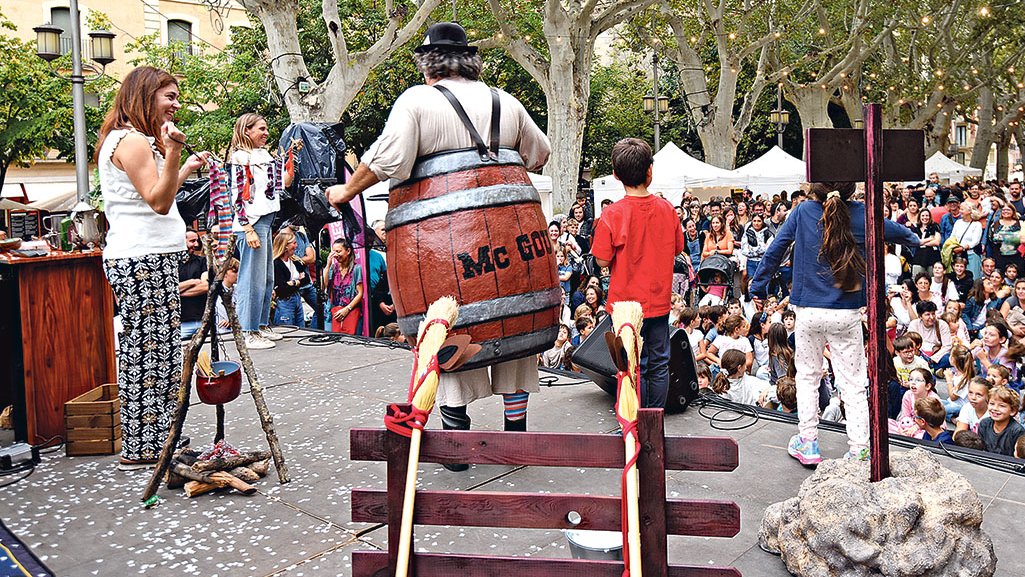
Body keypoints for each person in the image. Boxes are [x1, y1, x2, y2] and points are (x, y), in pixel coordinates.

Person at [325, 22, 552, 451]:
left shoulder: (418, 100)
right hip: (515, 235)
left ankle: (456, 445)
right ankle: (517, 439)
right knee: (517, 335)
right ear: (471, 61)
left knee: (451, 330)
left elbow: (388, 159)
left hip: (442, 241)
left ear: (428, 65)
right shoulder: (505, 100)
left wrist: (345, 190)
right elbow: (539, 155)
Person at [749, 181, 919, 464]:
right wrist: (914, 240)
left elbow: (777, 247)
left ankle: (809, 443)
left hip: (808, 311)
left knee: (807, 378)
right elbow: (902, 234)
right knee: (852, 383)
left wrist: (758, 287)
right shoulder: (861, 213)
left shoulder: (803, 212)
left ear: (815, 189)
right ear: (851, 190)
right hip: (847, 311)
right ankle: (860, 448)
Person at [96, 66, 209, 469]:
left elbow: (157, 191)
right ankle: (146, 446)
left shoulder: (132, 140)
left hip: (146, 257)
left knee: (156, 351)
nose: (176, 105)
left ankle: (158, 437)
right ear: (146, 96)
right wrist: (174, 150)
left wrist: (183, 169)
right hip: (141, 259)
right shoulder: (131, 140)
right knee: (149, 353)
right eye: (170, 97)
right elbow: (158, 202)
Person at [592, 138, 685, 408]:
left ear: (616, 176)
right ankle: (653, 421)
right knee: (658, 364)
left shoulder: (612, 214)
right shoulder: (668, 209)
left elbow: (601, 260)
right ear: (650, 172)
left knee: (633, 365)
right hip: (658, 303)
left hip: (624, 307)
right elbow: (678, 248)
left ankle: (634, 422)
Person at [229, 113, 295, 349]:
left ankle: (260, 324)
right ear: (247, 131)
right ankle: (248, 330)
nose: (266, 133)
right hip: (252, 222)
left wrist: (290, 157)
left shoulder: (264, 154)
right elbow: (237, 194)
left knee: (266, 277)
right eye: (261, 129)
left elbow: (283, 183)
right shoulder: (240, 157)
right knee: (251, 279)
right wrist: (247, 228)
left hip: (267, 220)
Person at [322, 236, 363, 334]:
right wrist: (327, 266)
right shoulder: (333, 268)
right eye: (334, 252)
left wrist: (347, 309)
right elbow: (324, 284)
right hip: (333, 311)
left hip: (350, 311)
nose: (336, 255)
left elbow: (360, 293)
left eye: (339, 251)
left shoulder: (356, 269)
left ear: (348, 251)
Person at [271, 229, 307, 328]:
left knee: (301, 329)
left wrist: (293, 283)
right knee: (287, 329)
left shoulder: (295, 260)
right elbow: (282, 289)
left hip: (297, 298)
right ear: (285, 246)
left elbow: (306, 279)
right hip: (285, 301)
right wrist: (298, 282)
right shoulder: (276, 263)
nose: (296, 246)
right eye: (294, 243)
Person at [179, 229, 210, 339]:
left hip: (203, 319)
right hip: (181, 323)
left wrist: (178, 291)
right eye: (192, 241)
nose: (196, 244)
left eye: (197, 241)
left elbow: (206, 286)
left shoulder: (202, 261)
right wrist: (193, 282)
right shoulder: (171, 264)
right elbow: (166, 289)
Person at [977, 386, 1024, 455]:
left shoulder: (1017, 431)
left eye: (1002, 406)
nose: (995, 408)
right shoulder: (984, 424)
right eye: (992, 404)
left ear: (1012, 411)